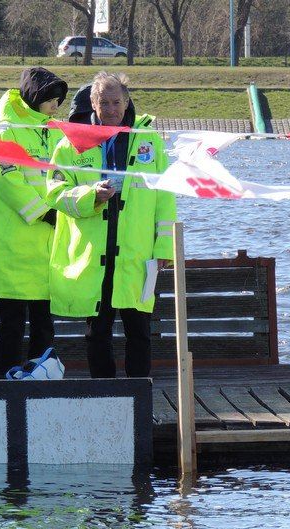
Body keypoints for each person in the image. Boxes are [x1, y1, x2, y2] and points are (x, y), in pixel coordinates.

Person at [46, 71, 176, 379]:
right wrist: (91, 196)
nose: (111, 109)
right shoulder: (70, 145)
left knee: (139, 332)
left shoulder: (148, 142)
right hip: (95, 256)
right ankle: (103, 395)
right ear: (92, 103)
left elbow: (165, 199)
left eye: (117, 102)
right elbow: (54, 193)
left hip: (136, 253)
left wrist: (165, 246)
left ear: (127, 101)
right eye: (104, 102)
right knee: (98, 332)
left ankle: (138, 395)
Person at [0, 67, 67, 377]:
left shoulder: (54, 131)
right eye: (50, 100)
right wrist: (45, 212)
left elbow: (63, 174)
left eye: (59, 101)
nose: (56, 106)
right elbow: (7, 181)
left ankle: (40, 374)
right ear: (34, 98)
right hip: (14, 244)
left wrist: (63, 208)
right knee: (13, 319)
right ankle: (5, 376)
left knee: (44, 319)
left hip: (46, 246)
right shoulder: (4, 132)